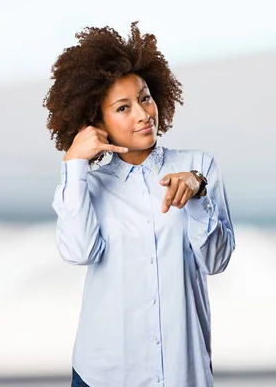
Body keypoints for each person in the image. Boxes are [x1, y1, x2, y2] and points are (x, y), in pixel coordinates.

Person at [43, 21, 236, 387]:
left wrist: (198, 192)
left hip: (183, 373)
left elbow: (217, 260)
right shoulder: (88, 186)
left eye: (145, 97)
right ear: (96, 121)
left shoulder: (201, 167)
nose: (143, 114)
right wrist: (74, 165)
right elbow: (79, 251)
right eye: (123, 107)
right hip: (105, 374)